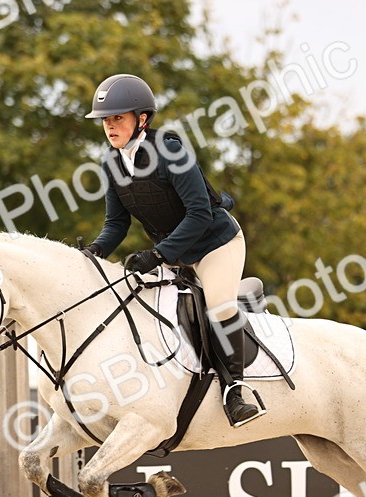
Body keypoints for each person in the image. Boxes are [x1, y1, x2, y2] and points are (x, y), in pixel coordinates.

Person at [84, 73, 263, 427]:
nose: (110, 126)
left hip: (215, 244)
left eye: (118, 117)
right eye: (106, 119)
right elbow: (116, 224)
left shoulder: (170, 151)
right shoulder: (111, 162)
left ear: (142, 120)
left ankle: (235, 391)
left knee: (218, 306)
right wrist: (94, 252)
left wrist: (158, 255)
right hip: (175, 254)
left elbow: (199, 213)